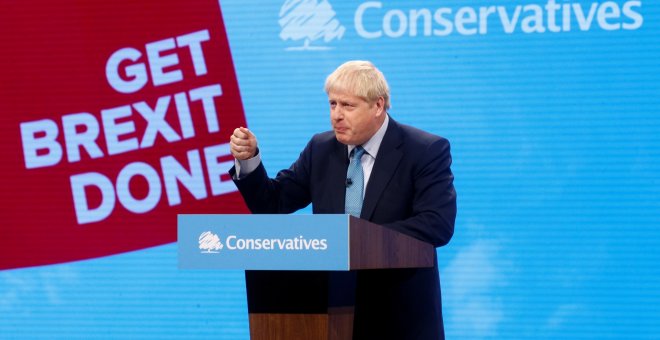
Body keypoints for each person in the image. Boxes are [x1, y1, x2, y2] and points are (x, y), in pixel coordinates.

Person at [229, 60, 456, 339]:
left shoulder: (424, 150)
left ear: (378, 106)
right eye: (332, 104)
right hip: (327, 314)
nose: (336, 115)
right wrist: (249, 161)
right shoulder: (321, 148)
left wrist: (357, 240)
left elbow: (436, 224)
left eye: (348, 106)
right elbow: (273, 203)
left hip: (398, 316)